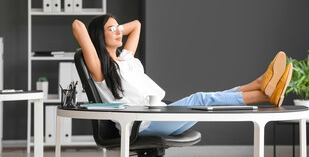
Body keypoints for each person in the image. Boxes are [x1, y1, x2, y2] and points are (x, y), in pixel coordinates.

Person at [72, 14, 293, 136]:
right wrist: (101, 33)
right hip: (140, 124)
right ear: (99, 37)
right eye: (111, 29)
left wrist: (115, 27)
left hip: (158, 116)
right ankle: (265, 94)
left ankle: (260, 84)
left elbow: (137, 25)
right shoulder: (100, 68)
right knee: (201, 99)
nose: (119, 31)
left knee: (211, 100)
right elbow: (78, 25)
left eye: (119, 27)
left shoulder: (126, 58)